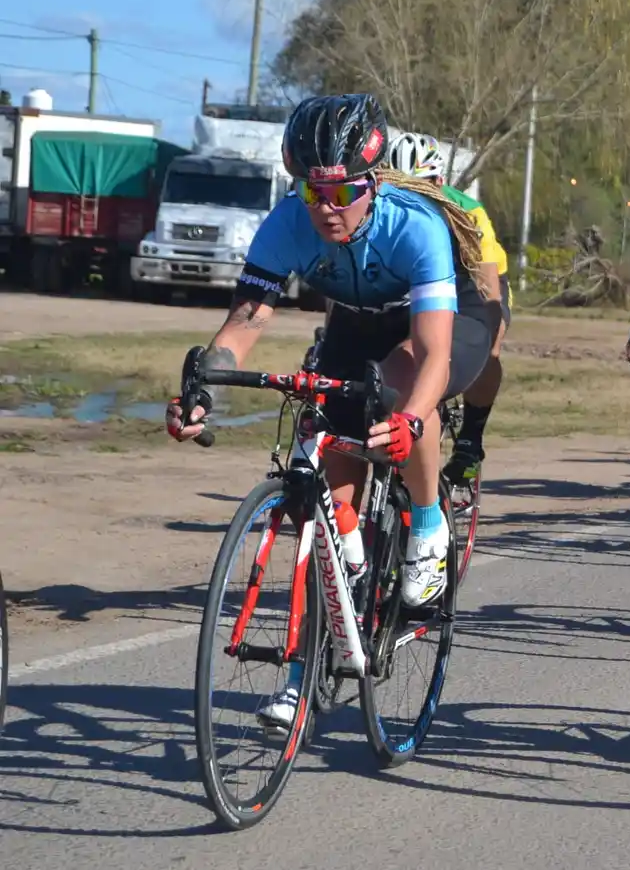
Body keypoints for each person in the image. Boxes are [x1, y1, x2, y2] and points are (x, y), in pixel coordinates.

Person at [164, 94, 497, 728]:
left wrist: (412, 422)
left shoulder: (413, 224)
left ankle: (427, 529)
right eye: (313, 193)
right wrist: (203, 389)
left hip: (446, 325)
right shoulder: (288, 223)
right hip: (356, 325)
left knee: (398, 391)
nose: (325, 210)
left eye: (342, 194)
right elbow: (246, 321)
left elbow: (431, 356)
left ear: (371, 184)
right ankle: (306, 665)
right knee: (326, 501)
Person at [385, 131, 510, 481]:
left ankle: (470, 439)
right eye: (398, 188)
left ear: (439, 183)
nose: (409, 198)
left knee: (489, 345)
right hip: (419, 281)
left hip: (473, 280)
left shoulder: (467, 212)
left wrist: (489, 337)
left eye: (420, 187)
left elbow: (488, 291)